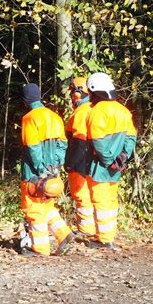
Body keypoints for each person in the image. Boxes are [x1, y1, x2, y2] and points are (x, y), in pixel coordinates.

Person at [20, 83, 75, 256]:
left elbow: (32, 146)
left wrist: (40, 169)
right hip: (53, 171)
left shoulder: (29, 118)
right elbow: (63, 144)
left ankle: (40, 248)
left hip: (34, 174)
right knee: (47, 206)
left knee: (33, 209)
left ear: (25, 100)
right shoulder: (54, 116)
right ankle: (64, 234)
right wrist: (55, 166)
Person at [85, 72, 137, 250]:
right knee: (111, 201)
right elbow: (131, 137)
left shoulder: (96, 112)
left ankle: (104, 240)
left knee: (100, 201)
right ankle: (108, 235)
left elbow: (98, 142)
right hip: (116, 166)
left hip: (100, 166)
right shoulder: (123, 111)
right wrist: (123, 157)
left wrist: (108, 161)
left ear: (93, 90)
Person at [64, 77, 96, 238]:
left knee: (80, 194)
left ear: (79, 92)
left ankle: (86, 229)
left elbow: (78, 140)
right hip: (90, 158)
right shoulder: (91, 108)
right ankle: (90, 228)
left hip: (81, 158)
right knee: (90, 194)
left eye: (73, 91)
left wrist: (71, 162)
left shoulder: (82, 112)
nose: (71, 95)